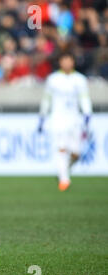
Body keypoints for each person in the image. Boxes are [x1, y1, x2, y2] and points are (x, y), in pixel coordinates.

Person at [37, 52, 92, 191]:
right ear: (60, 62)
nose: (67, 63)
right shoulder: (53, 79)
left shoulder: (80, 79)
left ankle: (63, 171)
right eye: (64, 60)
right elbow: (46, 99)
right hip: (58, 118)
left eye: (69, 60)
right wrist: (42, 116)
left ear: (73, 62)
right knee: (61, 148)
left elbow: (84, 98)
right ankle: (64, 180)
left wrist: (87, 113)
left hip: (74, 119)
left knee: (76, 153)